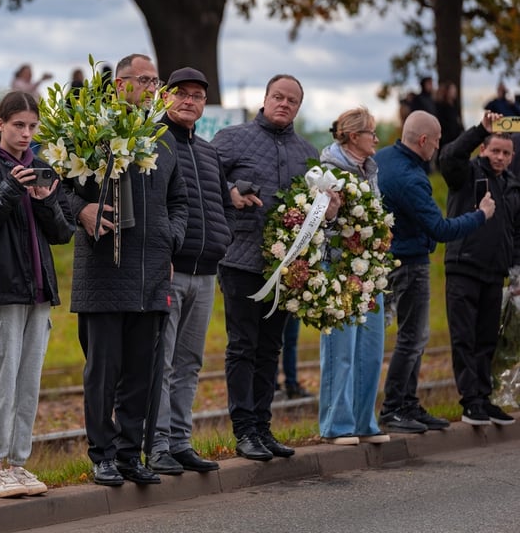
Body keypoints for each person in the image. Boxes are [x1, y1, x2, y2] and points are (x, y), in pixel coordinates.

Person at [66, 53, 187, 487]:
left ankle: (129, 454)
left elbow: (180, 201)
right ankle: (101, 455)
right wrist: (82, 209)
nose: (154, 88)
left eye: (157, 81)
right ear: (120, 85)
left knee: (142, 373)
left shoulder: (163, 139)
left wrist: (170, 236)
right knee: (103, 372)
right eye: (146, 80)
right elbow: (59, 187)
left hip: (152, 273)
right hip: (104, 274)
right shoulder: (92, 130)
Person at [212, 74, 338, 462]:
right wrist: (230, 192)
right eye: (278, 97)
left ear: (299, 107)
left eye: (292, 101)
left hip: (286, 270)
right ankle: (244, 430)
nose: (284, 104)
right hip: (239, 260)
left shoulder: (308, 152)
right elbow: (204, 184)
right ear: (265, 99)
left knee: (271, 349)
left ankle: (263, 427)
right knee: (242, 347)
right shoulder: (231, 139)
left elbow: (317, 211)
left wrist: (331, 212)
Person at [0, 91, 74, 499]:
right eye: (18, 126)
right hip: (0, 287)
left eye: (32, 126)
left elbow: (62, 234)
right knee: (3, 380)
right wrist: (10, 190)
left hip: (38, 291)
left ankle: (18, 464)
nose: (26, 134)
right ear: (0, 124)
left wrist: (45, 203)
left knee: (28, 382)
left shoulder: (42, 166)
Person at [377, 110, 495, 434]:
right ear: (424, 140)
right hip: (410, 262)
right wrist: (480, 215)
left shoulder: (384, 157)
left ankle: (408, 403)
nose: (439, 146)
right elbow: (441, 229)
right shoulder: (411, 179)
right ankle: (395, 408)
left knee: (413, 338)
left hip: (389, 257)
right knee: (413, 338)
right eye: (438, 139)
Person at [146, 67, 232, 475]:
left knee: (190, 362)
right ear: (165, 97)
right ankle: (158, 443)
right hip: (170, 270)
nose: (189, 101)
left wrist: (225, 236)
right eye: (181, 93)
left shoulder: (208, 151)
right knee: (160, 361)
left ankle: (180, 441)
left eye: (197, 96)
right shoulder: (154, 143)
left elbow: (221, 205)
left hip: (206, 271)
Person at [437, 112, 520, 427]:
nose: (499, 157)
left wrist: (516, 272)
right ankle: (470, 401)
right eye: (494, 150)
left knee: (488, 338)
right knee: (464, 338)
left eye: (505, 153)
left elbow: (516, 233)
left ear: (512, 157)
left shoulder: (512, 186)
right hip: (464, 268)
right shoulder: (466, 173)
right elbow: (449, 156)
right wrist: (478, 130)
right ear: (483, 150)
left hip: (495, 273)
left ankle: (484, 399)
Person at [317, 107, 390, 446]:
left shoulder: (368, 168)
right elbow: (321, 224)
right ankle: (337, 425)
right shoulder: (329, 169)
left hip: (370, 270)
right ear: (352, 136)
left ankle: (364, 422)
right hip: (340, 268)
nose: (375, 138)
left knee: (371, 350)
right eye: (370, 132)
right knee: (341, 349)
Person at [278, 315, 311, 399]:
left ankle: (291, 384)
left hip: (293, 306)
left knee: (291, 340)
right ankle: (273, 384)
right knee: (273, 342)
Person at [435, 81, 464, 150]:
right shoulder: (441, 106)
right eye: (452, 90)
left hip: (456, 136)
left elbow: (458, 120)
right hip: (446, 138)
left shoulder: (455, 105)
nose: (454, 92)